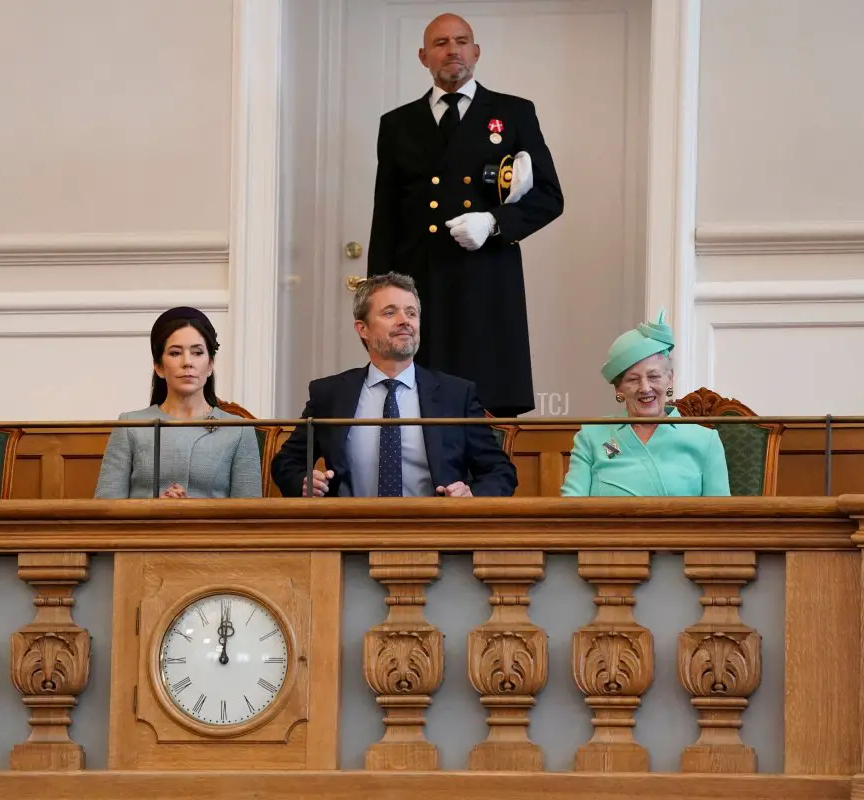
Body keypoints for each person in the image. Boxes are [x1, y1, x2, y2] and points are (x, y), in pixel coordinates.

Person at [366, 12, 564, 418]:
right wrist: (376, 299)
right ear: (423, 56)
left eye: (461, 41)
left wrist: (493, 222)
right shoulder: (397, 123)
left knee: (487, 405)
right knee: (418, 406)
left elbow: (549, 196)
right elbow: (385, 214)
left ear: (476, 51)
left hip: (486, 282)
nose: (452, 49)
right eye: (440, 43)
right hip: (418, 283)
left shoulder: (514, 113)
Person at [271, 272, 516, 498]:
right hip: (351, 533)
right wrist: (303, 481)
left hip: (437, 534)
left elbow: (500, 471)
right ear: (362, 329)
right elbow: (287, 463)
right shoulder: (330, 394)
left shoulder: (457, 394)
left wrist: (471, 496)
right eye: (390, 313)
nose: (404, 321)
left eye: (411, 313)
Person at [94, 306, 262, 499]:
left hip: (210, 529)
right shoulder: (129, 425)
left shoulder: (239, 430)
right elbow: (105, 508)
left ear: (210, 365)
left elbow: (249, 516)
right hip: (144, 529)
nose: (187, 362)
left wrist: (194, 514)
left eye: (197, 353)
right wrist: (154, 510)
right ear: (159, 367)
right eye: (175, 353)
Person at [560, 311, 730, 497]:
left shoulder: (705, 441)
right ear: (618, 389)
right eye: (633, 380)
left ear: (670, 379)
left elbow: (721, 519)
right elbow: (570, 508)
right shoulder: (591, 437)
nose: (645, 388)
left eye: (654, 376)